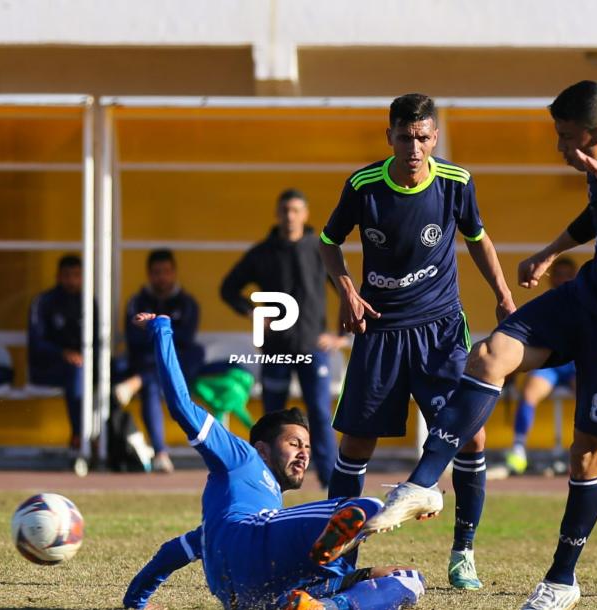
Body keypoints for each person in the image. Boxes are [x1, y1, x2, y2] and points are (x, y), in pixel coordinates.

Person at [367, 81, 597, 610]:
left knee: (586, 454)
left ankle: (561, 581)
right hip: (586, 297)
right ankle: (423, 484)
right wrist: (549, 253)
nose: (561, 149)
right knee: (490, 353)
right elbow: (596, 218)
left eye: (567, 139)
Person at [318, 93, 515, 590]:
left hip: (440, 329)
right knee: (356, 444)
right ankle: (342, 558)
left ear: (435, 138)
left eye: (423, 137)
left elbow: (478, 239)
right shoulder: (363, 186)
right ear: (389, 138)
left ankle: (463, 551)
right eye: (405, 137)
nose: (414, 147)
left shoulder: (456, 182)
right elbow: (327, 242)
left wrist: (503, 297)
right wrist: (346, 292)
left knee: (472, 436)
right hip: (380, 329)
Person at [122, 312, 426, 610]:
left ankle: (326, 604)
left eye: (307, 446)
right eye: (294, 443)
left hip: (246, 591)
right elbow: (180, 406)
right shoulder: (242, 457)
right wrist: (162, 329)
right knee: (364, 505)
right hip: (249, 538)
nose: (304, 453)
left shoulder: (232, 517)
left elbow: (173, 552)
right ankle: (337, 572)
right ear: (263, 449)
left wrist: (136, 602)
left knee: (411, 580)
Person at [221, 188, 344, 489]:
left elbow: (346, 289)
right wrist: (253, 313)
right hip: (275, 348)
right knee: (272, 420)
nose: (290, 216)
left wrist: (341, 335)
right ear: (277, 214)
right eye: (285, 210)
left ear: (305, 214)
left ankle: (330, 482)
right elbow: (228, 288)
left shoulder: (320, 248)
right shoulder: (262, 252)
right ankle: (262, 480)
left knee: (318, 413)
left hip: (313, 348)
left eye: (295, 210)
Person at [124, 248, 203, 474]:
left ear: (174, 273)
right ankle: (160, 453)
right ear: (149, 274)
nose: (162, 277)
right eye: (156, 272)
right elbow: (134, 339)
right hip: (149, 363)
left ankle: (138, 380)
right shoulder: (137, 302)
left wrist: (156, 329)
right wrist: (162, 333)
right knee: (151, 382)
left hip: (181, 366)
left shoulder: (187, 303)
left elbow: (185, 339)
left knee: (186, 355)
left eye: (166, 271)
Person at [505, 257, 578, 476]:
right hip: (551, 364)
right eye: (559, 274)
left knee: (591, 393)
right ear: (551, 278)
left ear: (576, 277)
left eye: (569, 275)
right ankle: (518, 449)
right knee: (528, 393)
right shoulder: (546, 302)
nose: (564, 279)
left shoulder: (586, 301)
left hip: (576, 364)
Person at [27, 254, 93, 451]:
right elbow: (36, 343)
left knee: (108, 374)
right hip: (46, 369)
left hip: (82, 369)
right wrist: (62, 353)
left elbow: (97, 343)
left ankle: (104, 437)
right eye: (67, 275)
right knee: (76, 371)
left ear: (82, 277)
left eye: (76, 275)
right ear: (58, 277)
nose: (71, 280)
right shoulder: (43, 302)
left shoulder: (89, 303)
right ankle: (80, 435)